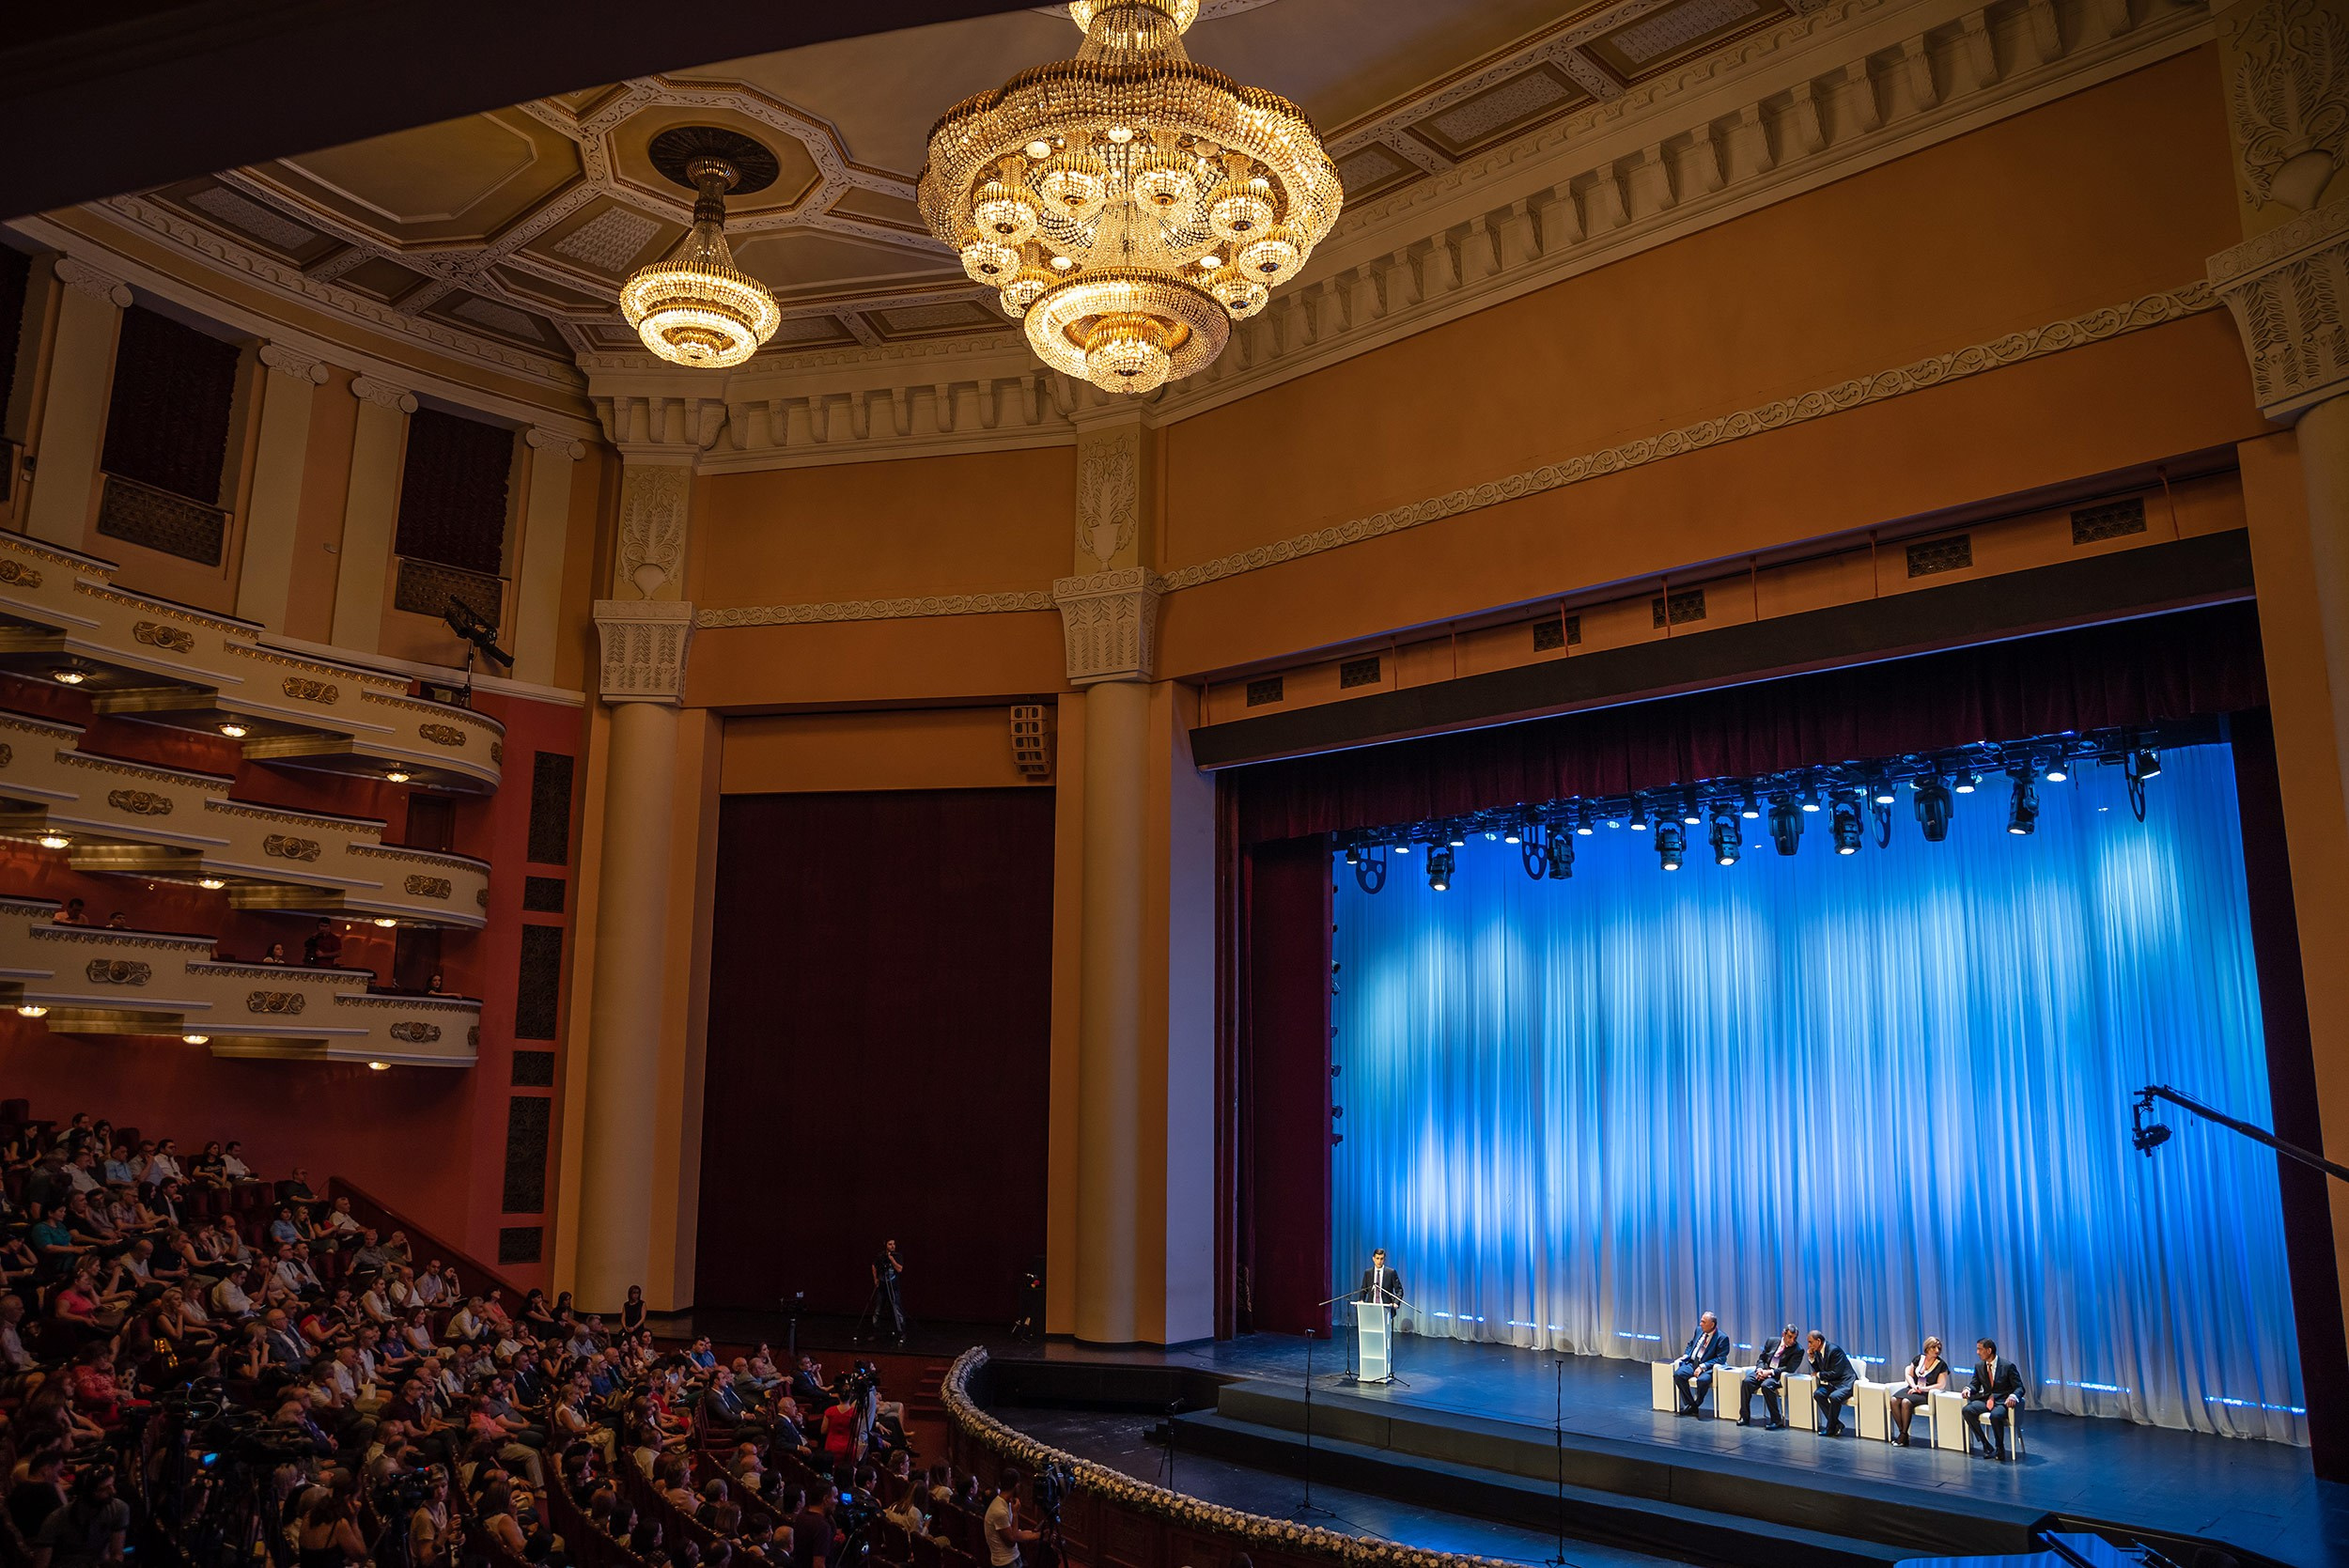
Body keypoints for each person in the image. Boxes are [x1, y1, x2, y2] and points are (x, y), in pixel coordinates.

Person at [1962, 1336, 2025, 1460]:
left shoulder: (2007, 1366)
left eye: (1980, 1349)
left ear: (1989, 1350)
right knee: (1967, 1410)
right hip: (1986, 1400)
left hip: (2002, 1401)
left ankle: (2000, 1448)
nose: (1977, 1352)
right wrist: (1968, 1389)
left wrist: (2013, 1396)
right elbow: (1975, 1384)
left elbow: (2020, 1388)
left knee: (1995, 1416)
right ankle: (1986, 1444)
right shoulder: (1979, 1366)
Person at [1890, 1336, 1950, 1447]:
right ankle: (1903, 1433)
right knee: (1894, 1400)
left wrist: (1922, 1389)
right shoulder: (1918, 1359)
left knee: (1906, 1402)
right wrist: (1914, 1386)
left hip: (1927, 1392)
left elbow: (1941, 1385)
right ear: (1927, 1348)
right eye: (1934, 1348)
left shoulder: (1941, 1365)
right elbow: (1909, 1374)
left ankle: (1903, 1435)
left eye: (1939, 1348)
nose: (1937, 1351)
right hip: (1913, 1388)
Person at [1670, 1311, 1729, 1416]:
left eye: (1703, 1322)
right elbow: (1691, 1344)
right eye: (1701, 1321)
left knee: (1702, 1380)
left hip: (1708, 1367)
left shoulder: (1722, 1338)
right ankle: (1691, 1405)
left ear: (1712, 1325)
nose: (1700, 1324)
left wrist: (1702, 1367)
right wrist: (1686, 1355)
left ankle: (1696, 1404)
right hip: (1693, 1363)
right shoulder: (1699, 1330)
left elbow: (1721, 1359)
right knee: (1678, 1375)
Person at [1806, 1330, 1858, 1437]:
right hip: (1833, 1382)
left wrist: (1818, 1374)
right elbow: (1819, 1369)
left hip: (1845, 1382)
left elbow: (1836, 1373)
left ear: (1818, 1341)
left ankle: (1830, 1428)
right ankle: (1837, 1424)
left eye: (1810, 1342)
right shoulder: (1817, 1351)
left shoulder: (1834, 1350)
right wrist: (1812, 1358)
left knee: (1834, 1397)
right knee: (1818, 1394)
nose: (1809, 1345)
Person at [983, 1469, 1038, 1568]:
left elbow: (1015, 1533)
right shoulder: (999, 1511)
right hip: (1005, 1563)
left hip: (1012, 1559)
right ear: (1016, 1486)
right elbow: (1012, 1541)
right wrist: (1015, 1514)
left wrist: (1039, 1535)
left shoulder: (1006, 1502)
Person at [858, 1239, 906, 1345]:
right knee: (878, 1310)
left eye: (894, 1244)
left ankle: (901, 1333)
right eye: (890, 1244)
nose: (893, 1246)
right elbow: (874, 1266)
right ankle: (876, 1332)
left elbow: (899, 1269)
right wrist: (875, 1279)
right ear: (886, 1245)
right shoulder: (880, 1256)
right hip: (882, 1288)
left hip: (893, 1288)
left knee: (896, 1310)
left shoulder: (898, 1256)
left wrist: (892, 1260)